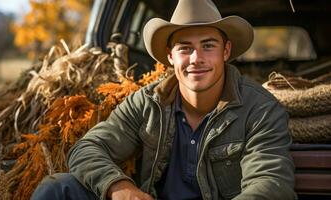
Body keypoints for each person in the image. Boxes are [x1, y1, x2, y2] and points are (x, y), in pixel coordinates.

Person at [32, 0, 296, 199]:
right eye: (185, 48)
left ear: (225, 51)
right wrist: (119, 186)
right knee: (57, 188)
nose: (196, 59)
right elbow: (86, 148)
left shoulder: (260, 109)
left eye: (208, 45)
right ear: (171, 56)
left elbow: (269, 184)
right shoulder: (148, 102)